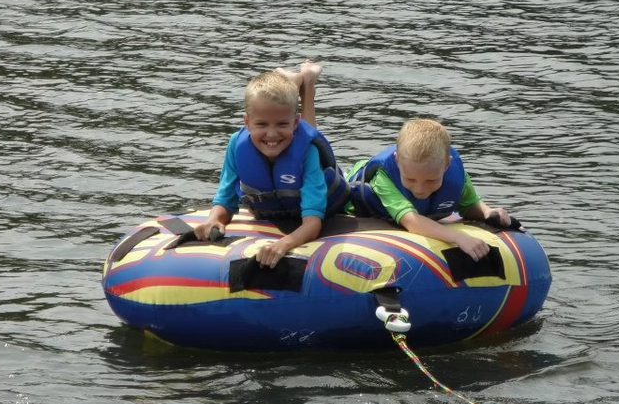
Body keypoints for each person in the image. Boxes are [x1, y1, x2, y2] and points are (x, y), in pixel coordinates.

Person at [194, 61, 349, 268]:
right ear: (247, 122)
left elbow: (312, 223)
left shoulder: (308, 152)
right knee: (292, 133)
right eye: (261, 124)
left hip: (325, 203)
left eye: (282, 124)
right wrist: (215, 220)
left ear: (295, 122)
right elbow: (225, 198)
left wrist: (283, 244)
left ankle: (307, 85)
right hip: (272, 209)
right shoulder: (236, 145)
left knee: (306, 139)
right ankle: (295, 83)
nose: (272, 133)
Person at [346, 119, 512, 261]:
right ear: (397, 161)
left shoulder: (455, 173)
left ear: (446, 165)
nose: (419, 189)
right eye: (410, 179)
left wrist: (488, 212)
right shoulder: (383, 176)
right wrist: (458, 237)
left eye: (431, 180)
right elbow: (411, 221)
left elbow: (469, 206)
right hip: (352, 201)